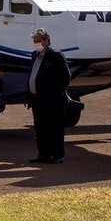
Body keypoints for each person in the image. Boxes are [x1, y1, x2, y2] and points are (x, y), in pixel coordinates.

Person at [26, 28, 71, 164]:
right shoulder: (34, 55)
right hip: (37, 99)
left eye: (37, 41)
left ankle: (57, 155)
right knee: (40, 128)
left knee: (55, 128)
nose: (35, 43)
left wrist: (54, 93)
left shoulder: (56, 55)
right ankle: (43, 154)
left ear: (45, 41)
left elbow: (66, 77)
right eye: (34, 41)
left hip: (53, 101)